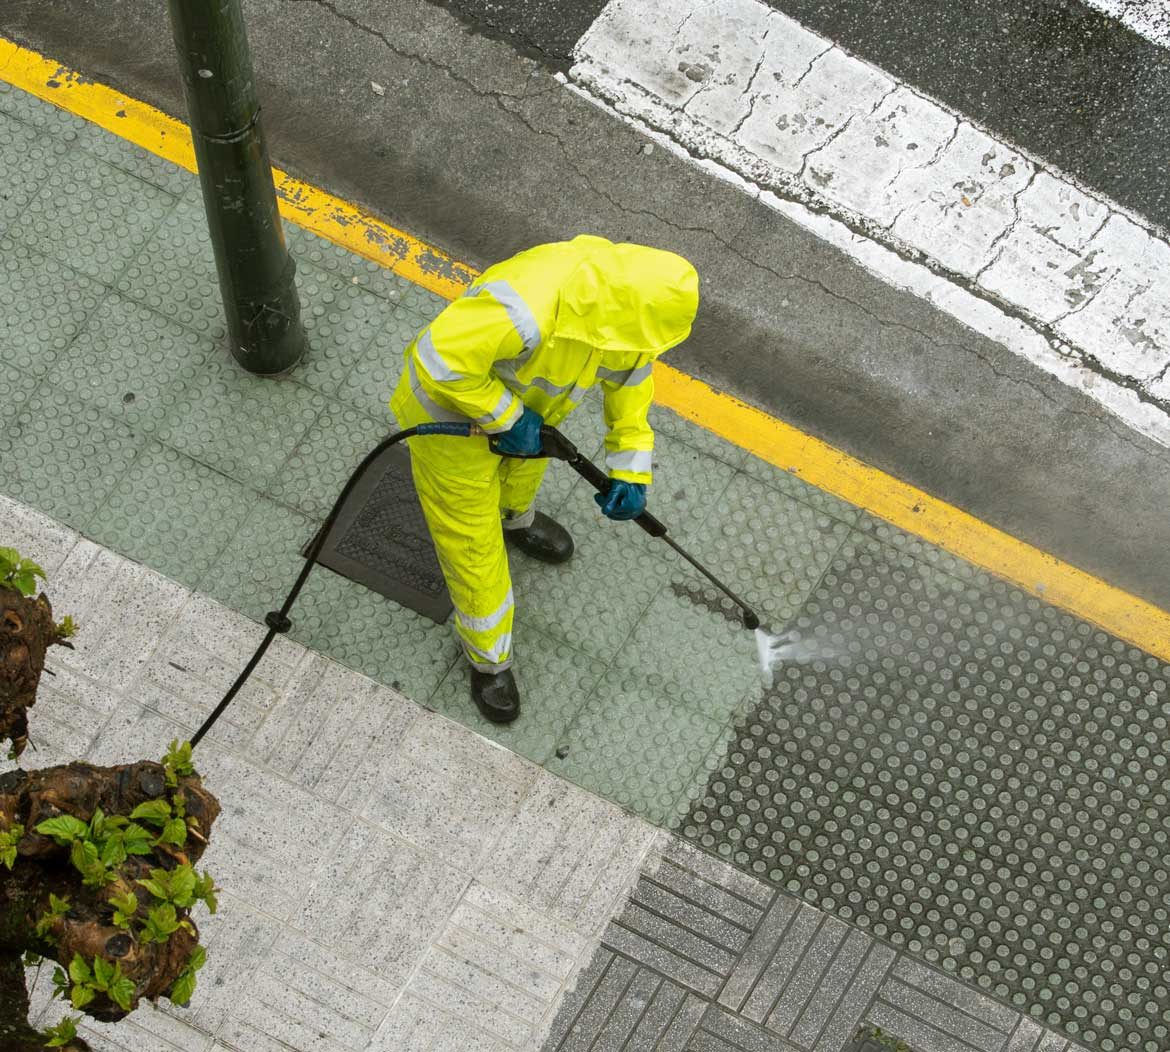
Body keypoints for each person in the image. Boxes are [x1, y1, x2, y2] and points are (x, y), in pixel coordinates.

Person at [390, 234, 700, 723]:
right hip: (449, 424)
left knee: (523, 477)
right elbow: (439, 361)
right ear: (619, 313)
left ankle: (516, 520)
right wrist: (508, 417)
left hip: (530, 423)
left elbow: (632, 383)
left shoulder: (623, 315)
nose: (642, 353)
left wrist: (630, 469)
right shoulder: (525, 308)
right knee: (472, 546)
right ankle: (489, 660)